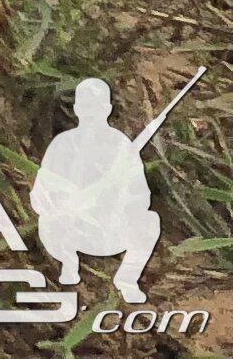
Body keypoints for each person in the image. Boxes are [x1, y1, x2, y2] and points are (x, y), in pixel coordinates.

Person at [31, 78, 163, 303]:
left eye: (98, 106)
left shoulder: (121, 145)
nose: (92, 113)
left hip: (110, 229)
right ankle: (68, 262)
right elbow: (41, 192)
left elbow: (141, 195)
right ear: (77, 109)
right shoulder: (63, 144)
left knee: (150, 221)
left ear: (108, 109)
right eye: (86, 106)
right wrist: (65, 203)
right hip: (69, 230)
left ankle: (127, 278)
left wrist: (114, 200)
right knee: (48, 221)